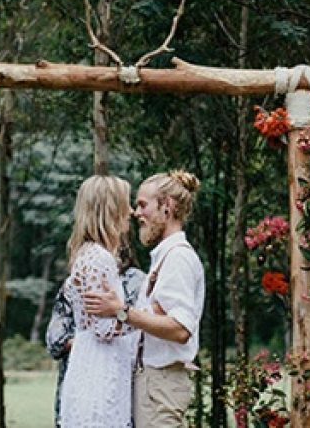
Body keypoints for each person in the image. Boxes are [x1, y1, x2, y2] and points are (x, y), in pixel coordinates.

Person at [85, 170, 205, 427]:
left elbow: (181, 329)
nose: (136, 213)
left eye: (142, 205)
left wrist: (121, 311)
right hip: (152, 381)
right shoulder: (164, 257)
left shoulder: (178, 258)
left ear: (168, 207)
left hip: (161, 383)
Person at [57, 174, 139, 427]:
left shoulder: (87, 254)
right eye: (126, 204)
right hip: (101, 367)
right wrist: (141, 319)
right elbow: (103, 328)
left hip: (91, 360)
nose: (133, 212)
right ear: (111, 209)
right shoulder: (98, 259)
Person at [45, 242, 145, 427]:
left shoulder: (137, 281)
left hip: (122, 381)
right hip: (89, 372)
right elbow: (55, 339)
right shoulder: (85, 274)